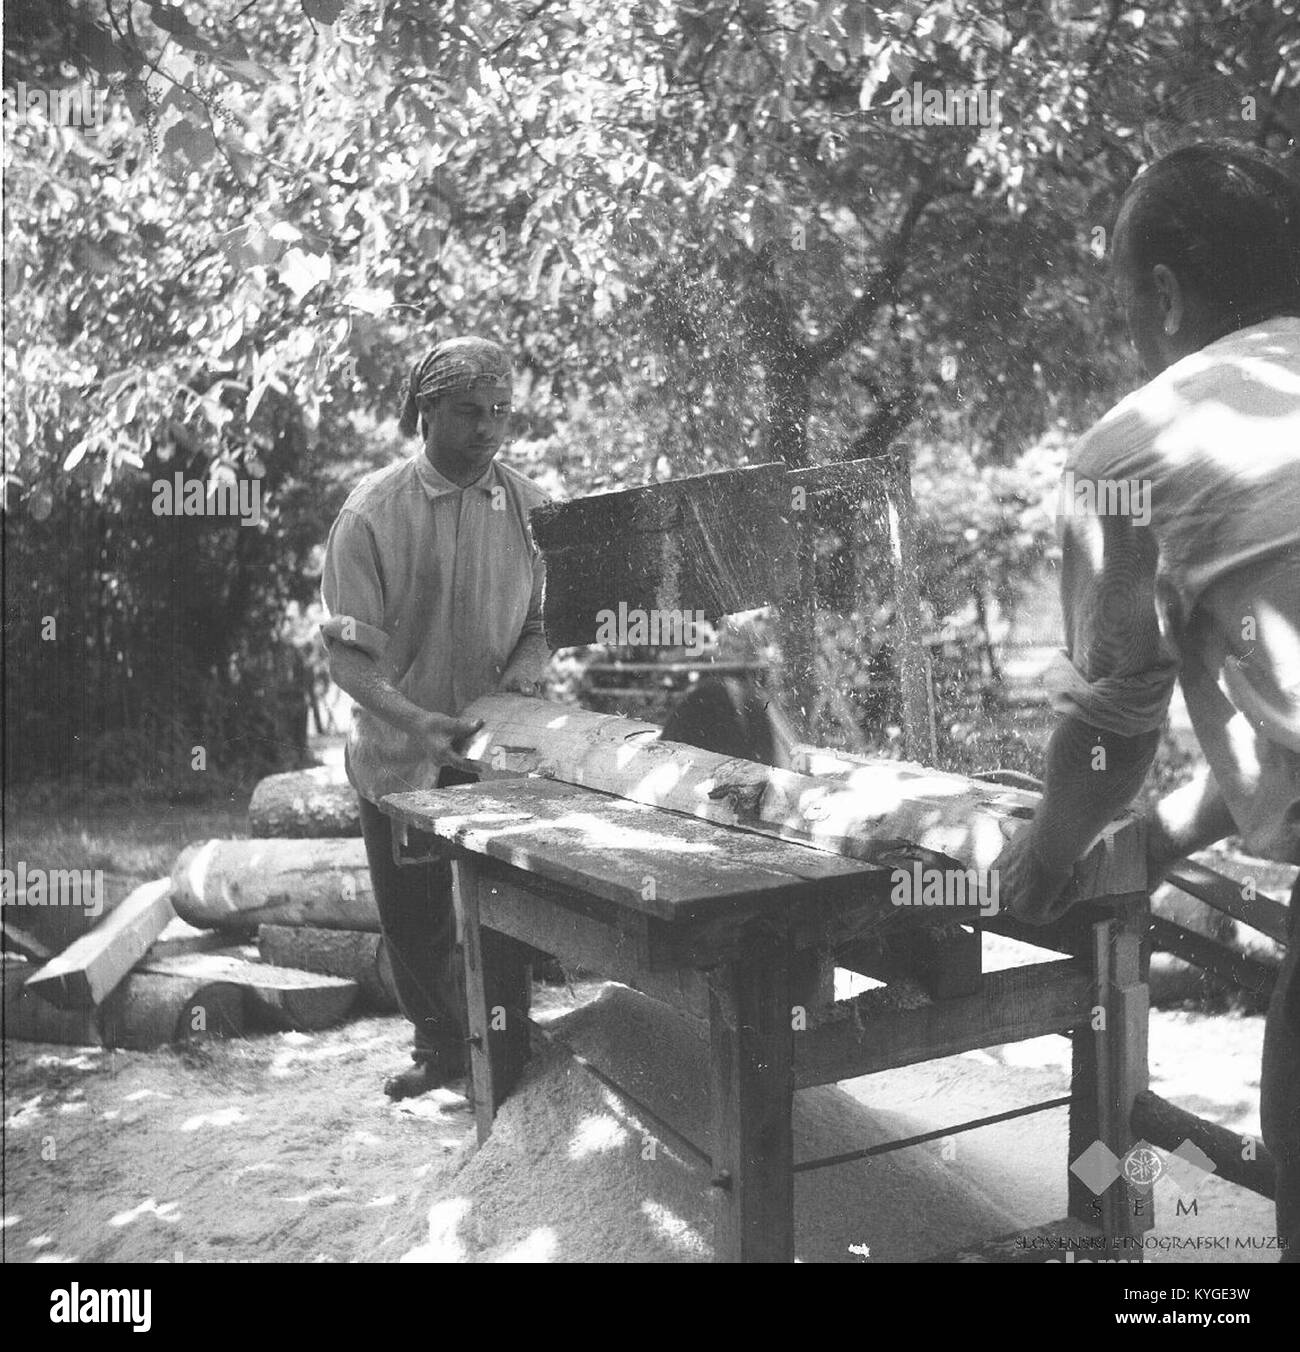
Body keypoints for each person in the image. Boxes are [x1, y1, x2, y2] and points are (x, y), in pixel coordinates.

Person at [993, 141, 1300, 1258]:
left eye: (1126, 306)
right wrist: (1157, 844)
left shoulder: (1131, 447)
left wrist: (1045, 854)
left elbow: (1114, 724)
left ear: (1163, 295)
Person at [320, 336, 551, 1099]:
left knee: (503, 907)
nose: (487, 429)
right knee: (414, 917)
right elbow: (347, 658)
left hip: (493, 748)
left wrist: (523, 670)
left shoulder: (530, 509)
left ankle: (508, 1053)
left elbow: (542, 623)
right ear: (426, 412)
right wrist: (414, 719)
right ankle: (440, 1050)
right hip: (401, 745)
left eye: (499, 412)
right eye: (467, 412)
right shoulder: (371, 514)